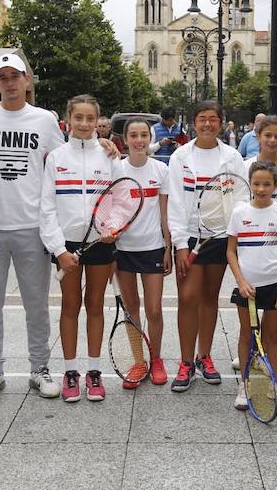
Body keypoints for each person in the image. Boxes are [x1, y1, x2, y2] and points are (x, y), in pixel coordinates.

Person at [0, 54, 65, 405]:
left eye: (16, 76)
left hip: (31, 226)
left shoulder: (44, 120)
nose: (10, 82)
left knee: (36, 305)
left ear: (27, 80)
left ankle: (40, 368)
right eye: (3, 77)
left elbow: (61, 163)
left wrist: (103, 147)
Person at [40, 95, 119, 402]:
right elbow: (46, 208)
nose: (85, 124)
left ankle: (94, 371)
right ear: (68, 119)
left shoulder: (109, 156)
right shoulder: (56, 158)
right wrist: (59, 249)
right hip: (67, 245)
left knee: (96, 305)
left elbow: (118, 199)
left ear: (98, 121)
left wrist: (112, 227)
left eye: (90, 118)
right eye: (79, 118)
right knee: (70, 305)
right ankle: (71, 371)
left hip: (100, 242)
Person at [167, 100, 246, 391]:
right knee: (188, 298)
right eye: (202, 118)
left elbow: (240, 199)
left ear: (221, 123)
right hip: (189, 237)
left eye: (213, 119)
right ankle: (186, 362)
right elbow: (174, 203)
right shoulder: (180, 157)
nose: (207, 124)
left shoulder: (233, 157)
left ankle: (205, 357)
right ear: (193, 122)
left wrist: (234, 237)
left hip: (219, 238)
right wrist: (179, 245)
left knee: (210, 297)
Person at [227, 161, 277, 410]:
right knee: (246, 335)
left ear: (275, 185)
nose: (261, 188)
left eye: (267, 184)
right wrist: (241, 282)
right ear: (250, 184)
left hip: (275, 287)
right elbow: (231, 252)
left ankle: (276, 384)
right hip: (247, 288)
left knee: (271, 337)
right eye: (256, 183)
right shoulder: (239, 213)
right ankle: (244, 386)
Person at [114, 118, 171, 388]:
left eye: (143, 135)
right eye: (133, 135)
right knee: (131, 309)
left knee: (154, 310)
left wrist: (169, 248)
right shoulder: (115, 169)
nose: (139, 140)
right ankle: (139, 361)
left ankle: (156, 358)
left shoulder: (161, 170)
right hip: (122, 250)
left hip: (153, 248)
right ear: (125, 139)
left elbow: (165, 214)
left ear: (150, 138)